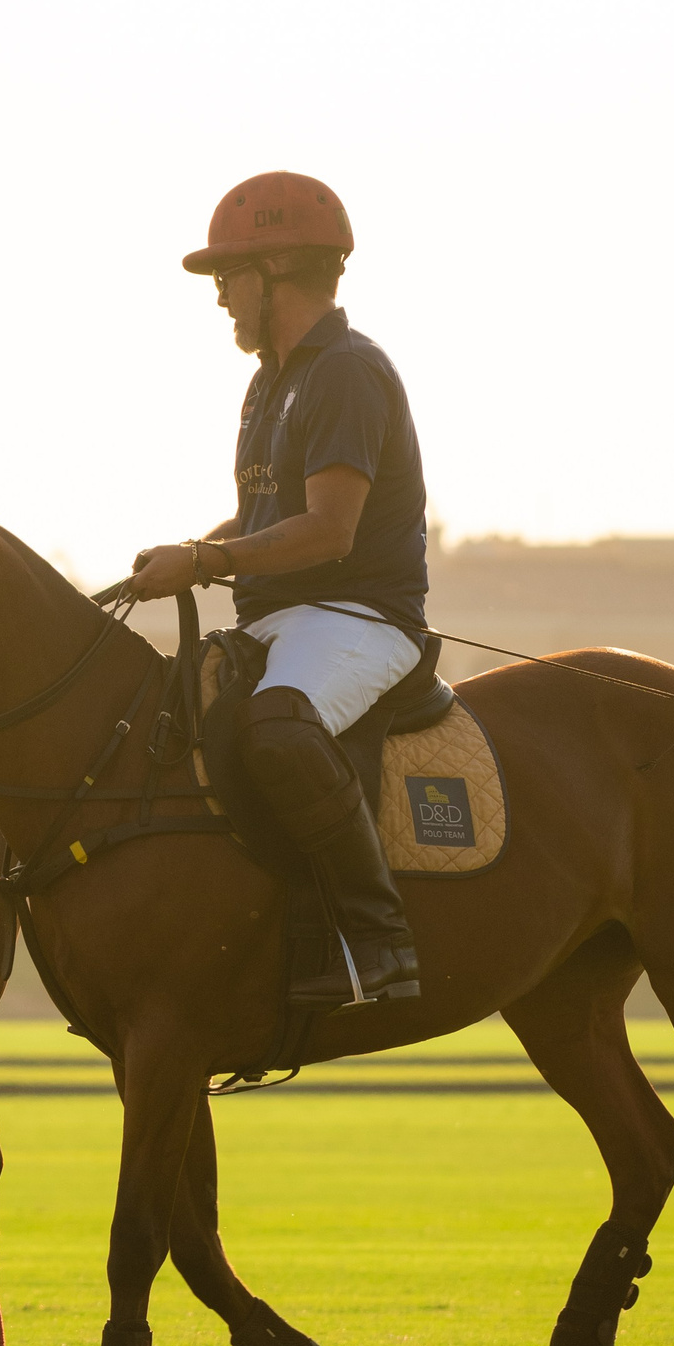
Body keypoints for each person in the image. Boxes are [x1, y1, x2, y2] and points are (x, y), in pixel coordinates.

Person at [124, 171, 429, 1008]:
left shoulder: (346, 372)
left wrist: (208, 564)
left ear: (279, 270)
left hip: (360, 618)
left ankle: (378, 941)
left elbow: (330, 530)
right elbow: (261, 515)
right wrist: (190, 551)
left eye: (228, 277)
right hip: (284, 620)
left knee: (278, 729)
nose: (220, 298)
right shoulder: (270, 380)